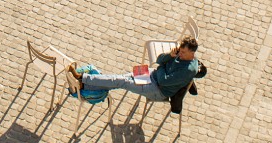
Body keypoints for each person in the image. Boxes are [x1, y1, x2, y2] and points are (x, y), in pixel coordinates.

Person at [68, 37, 207, 103]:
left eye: (183, 52)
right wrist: (169, 56)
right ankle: (84, 85)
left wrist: (161, 67)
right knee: (121, 78)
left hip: (157, 90)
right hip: (153, 75)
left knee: (121, 81)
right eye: (180, 51)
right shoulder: (179, 56)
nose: (180, 54)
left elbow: (164, 80)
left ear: (192, 53)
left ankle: (83, 78)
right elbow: (159, 61)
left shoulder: (188, 70)